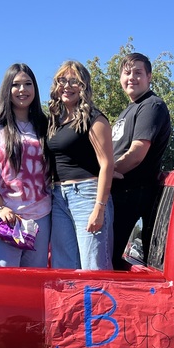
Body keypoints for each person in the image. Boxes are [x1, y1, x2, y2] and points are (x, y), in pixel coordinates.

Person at [0, 64, 51, 267]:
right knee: (3, 278)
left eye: (27, 84)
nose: (22, 90)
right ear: (7, 89)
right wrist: (0, 208)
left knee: (35, 279)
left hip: (40, 216)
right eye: (16, 85)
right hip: (4, 216)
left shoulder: (47, 126)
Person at [45, 60, 114, 270]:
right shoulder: (55, 120)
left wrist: (99, 208)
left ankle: (98, 305)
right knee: (63, 266)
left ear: (83, 85)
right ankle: (71, 305)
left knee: (93, 266)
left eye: (74, 81)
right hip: (58, 196)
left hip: (87, 195)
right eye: (62, 80)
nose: (67, 86)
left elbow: (107, 164)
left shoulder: (94, 118)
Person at [109, 52, 171, 270]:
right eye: (127, 73)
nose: (132, 77)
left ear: (149, 76)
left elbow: (136, 154)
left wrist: (103, 176)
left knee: (110, 259)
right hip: (118, 193)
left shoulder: (151, 106)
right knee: (110, 257)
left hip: (132, 194)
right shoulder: (130, 109)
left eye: (138, 72)